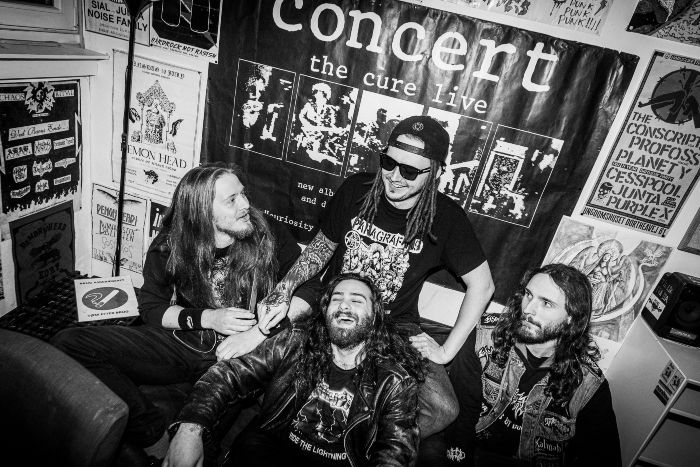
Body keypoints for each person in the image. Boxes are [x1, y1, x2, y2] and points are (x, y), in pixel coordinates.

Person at [257, 115, 495, 439]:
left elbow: (483, 285)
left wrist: (446, 351)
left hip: (394, 325)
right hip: (335, 311)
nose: (394, 177)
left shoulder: (446, 218)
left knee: (442, 407)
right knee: (271, 368)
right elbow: (320, 248)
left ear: (436, 172)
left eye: (410, 171)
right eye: (389, 163)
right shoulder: (357, 189)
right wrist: (284, 289)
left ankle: (359, 446)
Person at [51, 163, 301, 458]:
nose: (245, 204)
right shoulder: (172, 244)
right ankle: (152, 433)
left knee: (197, 442)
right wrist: (208, 318)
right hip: (190, 341)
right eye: (232, 200)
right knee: (69, 343)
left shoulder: (267, 234)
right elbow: (151, 307)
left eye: (243, 194)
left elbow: (308, 287)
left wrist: (257, 332)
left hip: (241, 355)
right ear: (202, 212)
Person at [164, 273, 426, 467]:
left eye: (356, 301)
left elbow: (396, 452)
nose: (344, 306)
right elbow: (228, 375)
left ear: (375, 316)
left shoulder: (394, 381)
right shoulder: (295, 343)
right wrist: (190, 430)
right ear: (325, 311)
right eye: (337, 299)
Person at [448, 263, 621, 466]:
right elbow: (462, 416)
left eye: (546, 303)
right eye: (528, 295)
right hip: (474, 451)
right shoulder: (485, 336)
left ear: (571, 317)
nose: (528, 309)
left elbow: (603, 456)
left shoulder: (589, 384)